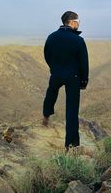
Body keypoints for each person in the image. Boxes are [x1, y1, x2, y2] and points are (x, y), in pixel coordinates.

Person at [42, 11, 89, 150]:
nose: (79, 23)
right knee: (72, 110)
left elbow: (47, 55)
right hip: (73, 77)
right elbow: (84, 63)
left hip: (56, 73)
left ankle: (46, 115)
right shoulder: (78, 40)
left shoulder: (51, 37)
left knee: (51, 93)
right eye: (78, 21)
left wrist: (54, 68)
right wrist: (84, 81)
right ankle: (71, 145)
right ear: (72, 22)